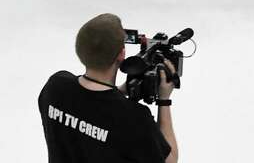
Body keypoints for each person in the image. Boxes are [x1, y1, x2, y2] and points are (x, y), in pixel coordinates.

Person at [38, 14, 176, 163]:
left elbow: (87, 107)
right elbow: (170, 160)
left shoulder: (55, 87)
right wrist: (164, 101)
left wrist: (119, 92)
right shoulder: (135, 118)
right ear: (122, 55)